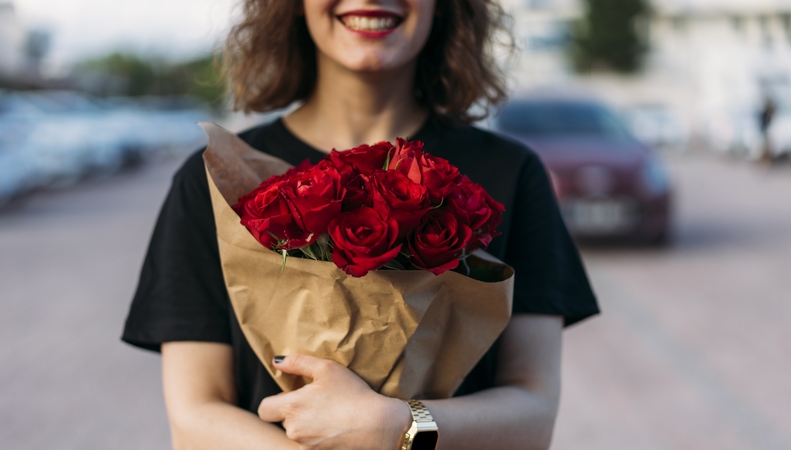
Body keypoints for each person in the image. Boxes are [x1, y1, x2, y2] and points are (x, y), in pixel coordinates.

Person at [122, 0, 599, 449]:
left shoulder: (510, 174)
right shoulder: (216, 180)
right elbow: (194, 417)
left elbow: (534, 413)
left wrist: (399, 427)